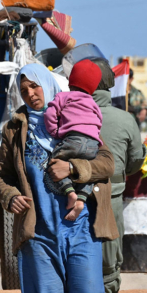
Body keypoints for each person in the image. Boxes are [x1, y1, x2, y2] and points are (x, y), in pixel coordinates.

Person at [0, 64, 117, 293]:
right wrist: (9, 196)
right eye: (24, 88)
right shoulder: (14, 128)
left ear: (48, 85)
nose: (31, 93)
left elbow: (107, 163)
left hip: (80, 229)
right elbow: (0, 175)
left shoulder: (71, 112)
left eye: (35, 86)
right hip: (40, 233)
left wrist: (75, 168)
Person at [90, 59, 145, 293]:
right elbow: (136, 160)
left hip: (73, 197)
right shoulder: (125, 119)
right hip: (111, 198)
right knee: (109, 263)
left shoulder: (69, 114)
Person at [44, 59, 103, 221]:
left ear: (71, 81)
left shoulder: (64, 96)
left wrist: (55, 131)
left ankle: (70, 192)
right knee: (89, 172)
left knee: (54, 161)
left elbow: (50, 114)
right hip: (93, 143)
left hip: (73, 138)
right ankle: (82, 199)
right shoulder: (93, 103)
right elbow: (99, 120)